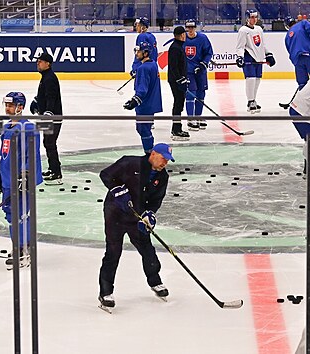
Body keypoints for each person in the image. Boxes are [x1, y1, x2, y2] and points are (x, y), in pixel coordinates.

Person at [97, 143, 175, 312]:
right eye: (163, 159)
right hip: (115, 215)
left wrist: (149, 214)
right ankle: (105, 293)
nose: (165, 164)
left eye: (168, 161)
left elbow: (156, 201)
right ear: (153, 154)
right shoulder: (130, 163)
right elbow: (105, 175)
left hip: (136, 217)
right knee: (113, 252)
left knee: (148, 249)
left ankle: (155, 281)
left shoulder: (163, 177)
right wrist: (117, 189)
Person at [0, 92, 43, 269]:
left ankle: (24, 251)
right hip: (8, 180)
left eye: (11, 105)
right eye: (6, 105)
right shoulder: (6, 128)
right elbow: (4, 154)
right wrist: (0, 174)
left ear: (20, 107)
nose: (7, 108)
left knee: (21, 216)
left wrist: (27, 176)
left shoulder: (29, 128)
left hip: (21, 181)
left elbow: (33, 155)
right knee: (10, 215)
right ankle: (19, 248)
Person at [29, 52, 63, 185]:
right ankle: (52, 169)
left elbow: (51, 96)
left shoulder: (49, 78)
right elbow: (44, 94)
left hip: (53, 118)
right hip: (49, 117)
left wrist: (48, 112)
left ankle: (56, 172)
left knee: (50, 143)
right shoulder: (46, 77)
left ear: (47, 63)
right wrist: (37, 101)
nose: (38, 63)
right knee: (48, 143)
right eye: (37, 61)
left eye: (40, 61)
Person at [123, 41, 162, 154]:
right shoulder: (153, 64)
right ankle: (150, 151)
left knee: (143, 129)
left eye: (139, 51)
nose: (136, 54)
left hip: (145, 105)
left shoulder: (143, 68)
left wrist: (134, 102)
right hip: (152, 104)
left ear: (145, 53)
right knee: (146, 128)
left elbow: (142, 90)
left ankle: (149, 154)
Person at [235, 9, 276, 114]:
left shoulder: (259, 29)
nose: (254, 19)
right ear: (248, 18)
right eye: (252, 17)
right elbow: (240, 47)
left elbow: (262, 44)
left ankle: (253, 99)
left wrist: (268, 54)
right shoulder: (243, 30)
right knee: (251, 79)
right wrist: (240, 57)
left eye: (255, 17)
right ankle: (250, 102)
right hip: (249, 57)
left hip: (259, 58)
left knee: (257, 80)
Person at [183, 19, 213, 131]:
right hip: (188, 72)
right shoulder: (182, 38)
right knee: (191, 93)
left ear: (195, 27)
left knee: (201, 93)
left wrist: (203, 64)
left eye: (192, 27)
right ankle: (190, 118)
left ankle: (198, 116)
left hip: (200, 71)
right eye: (188, 27)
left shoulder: (203, 38)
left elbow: (209, 52)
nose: (190, 30)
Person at [284, 15, 310, 90]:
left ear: (287, 26)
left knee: (302, 85)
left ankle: (303, 100)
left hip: (298, 61)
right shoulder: (302, 23)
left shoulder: (287, 37)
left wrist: (296, 63)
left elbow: (290, 52)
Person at [167, 25, 190, 141]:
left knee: (179, 104)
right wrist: (179, 79)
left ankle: (176, 128)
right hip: (176, 81)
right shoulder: (175, 48)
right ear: (182, 35)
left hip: (178, 80)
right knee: (178, 104)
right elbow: (173, 67)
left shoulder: (179, 46)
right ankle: (176, 129)